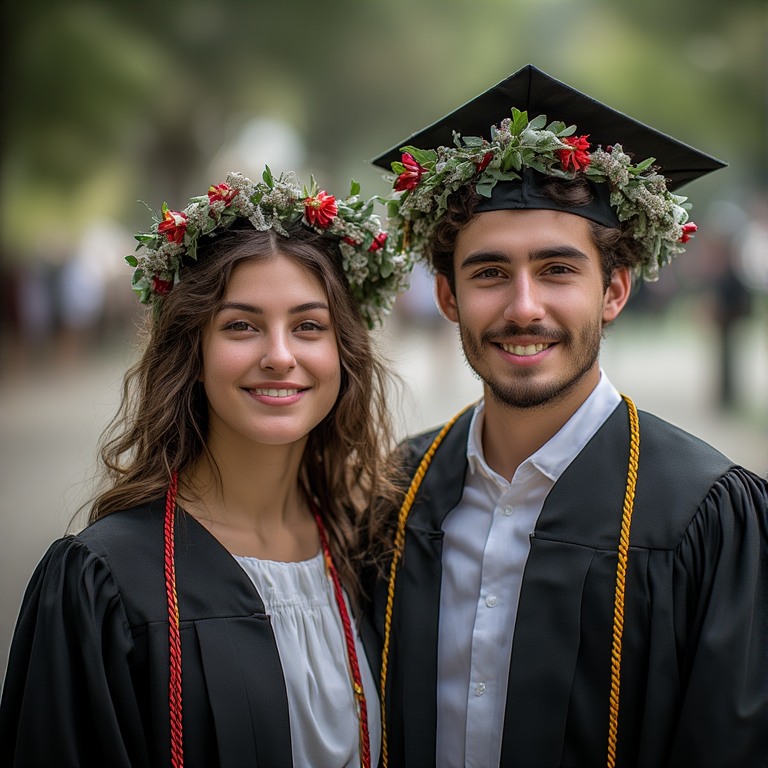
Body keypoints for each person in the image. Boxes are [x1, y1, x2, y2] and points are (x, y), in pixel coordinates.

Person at [368, 65, 768, 767]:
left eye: (557, 270)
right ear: (448, 296)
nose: (524, 307)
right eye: (490, 273)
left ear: (614, 290)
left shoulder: (706, 513)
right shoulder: (395, 493)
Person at [0, 168, 413, 767]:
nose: (279, 355)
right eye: (241, 326)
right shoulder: (106, 581)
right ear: (193, 352)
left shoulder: (367, 552)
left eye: (308, 326)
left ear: (343, 354)